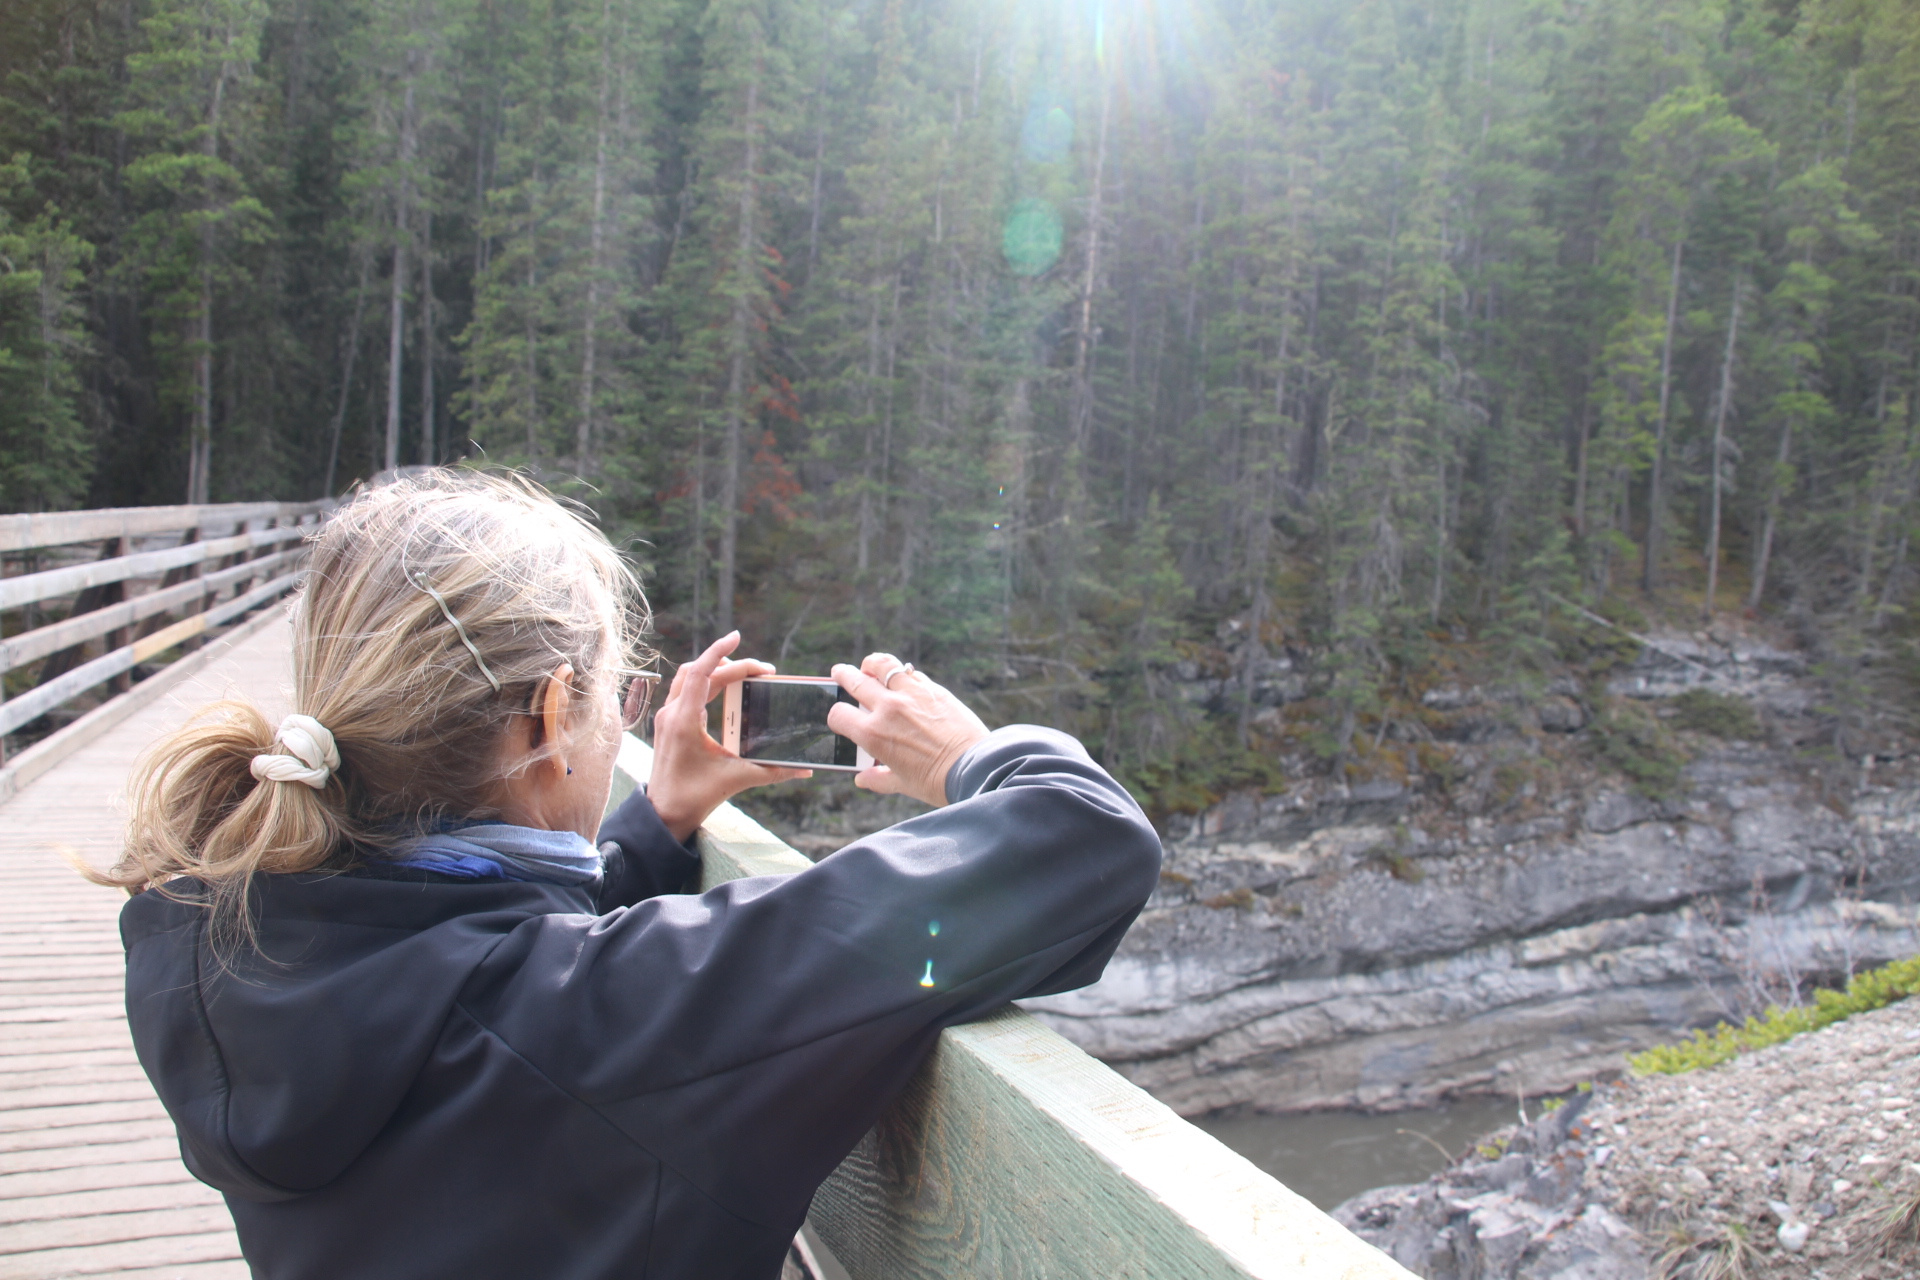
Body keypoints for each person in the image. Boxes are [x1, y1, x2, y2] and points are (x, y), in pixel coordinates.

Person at [103, 470, 1161, 1280]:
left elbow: (481, 987)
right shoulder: (615, 1018)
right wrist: (965, 756)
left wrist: (657, 821)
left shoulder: (224, 949)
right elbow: (1088, 835)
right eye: (619, 698)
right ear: (549, 719)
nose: (625, 726)